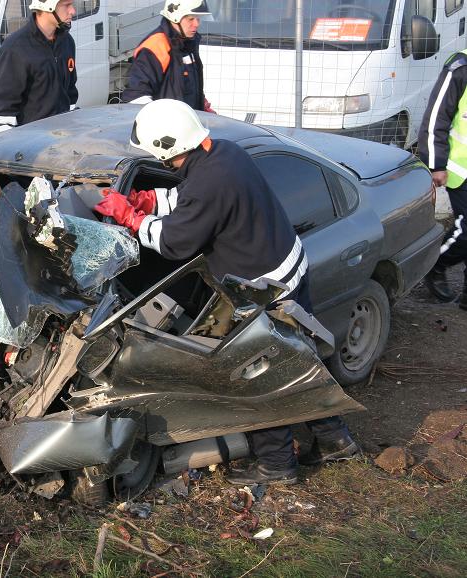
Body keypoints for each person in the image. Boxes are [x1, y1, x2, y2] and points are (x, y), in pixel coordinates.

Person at [94, 99, 359, 484]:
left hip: (264, 292)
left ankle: (276, 463)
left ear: (167, 148)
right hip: (289, 269)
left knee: (257, 374)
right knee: (299, 360)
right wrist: (150, 199)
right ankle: (334, 439)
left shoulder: (209, 181)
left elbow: (172, 242)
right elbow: (191, 198)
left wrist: (131, 217)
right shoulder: (222, 153)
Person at [417, 49, 467, 310]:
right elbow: (437, 116)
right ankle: (433, 265)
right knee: (466, 231)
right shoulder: (460, 67)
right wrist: (436, 163)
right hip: (462, 167)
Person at [0, 0, 78, 134]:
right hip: (32, 141)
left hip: (63, 137)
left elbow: (70, 92)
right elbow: (3, 114)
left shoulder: (67, 42)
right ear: (48, 6)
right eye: (66, 5)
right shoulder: (14, 49)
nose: (73, 11)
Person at [121, 0, 214, 113]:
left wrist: (202, 104)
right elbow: (137, 97)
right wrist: (161, 119)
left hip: (187, 120)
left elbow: (188, 86)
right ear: (175, 18)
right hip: (165, 122)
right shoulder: (155, 47)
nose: (196, 24)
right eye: (190, 19)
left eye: (198, 19)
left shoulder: (188, 43)